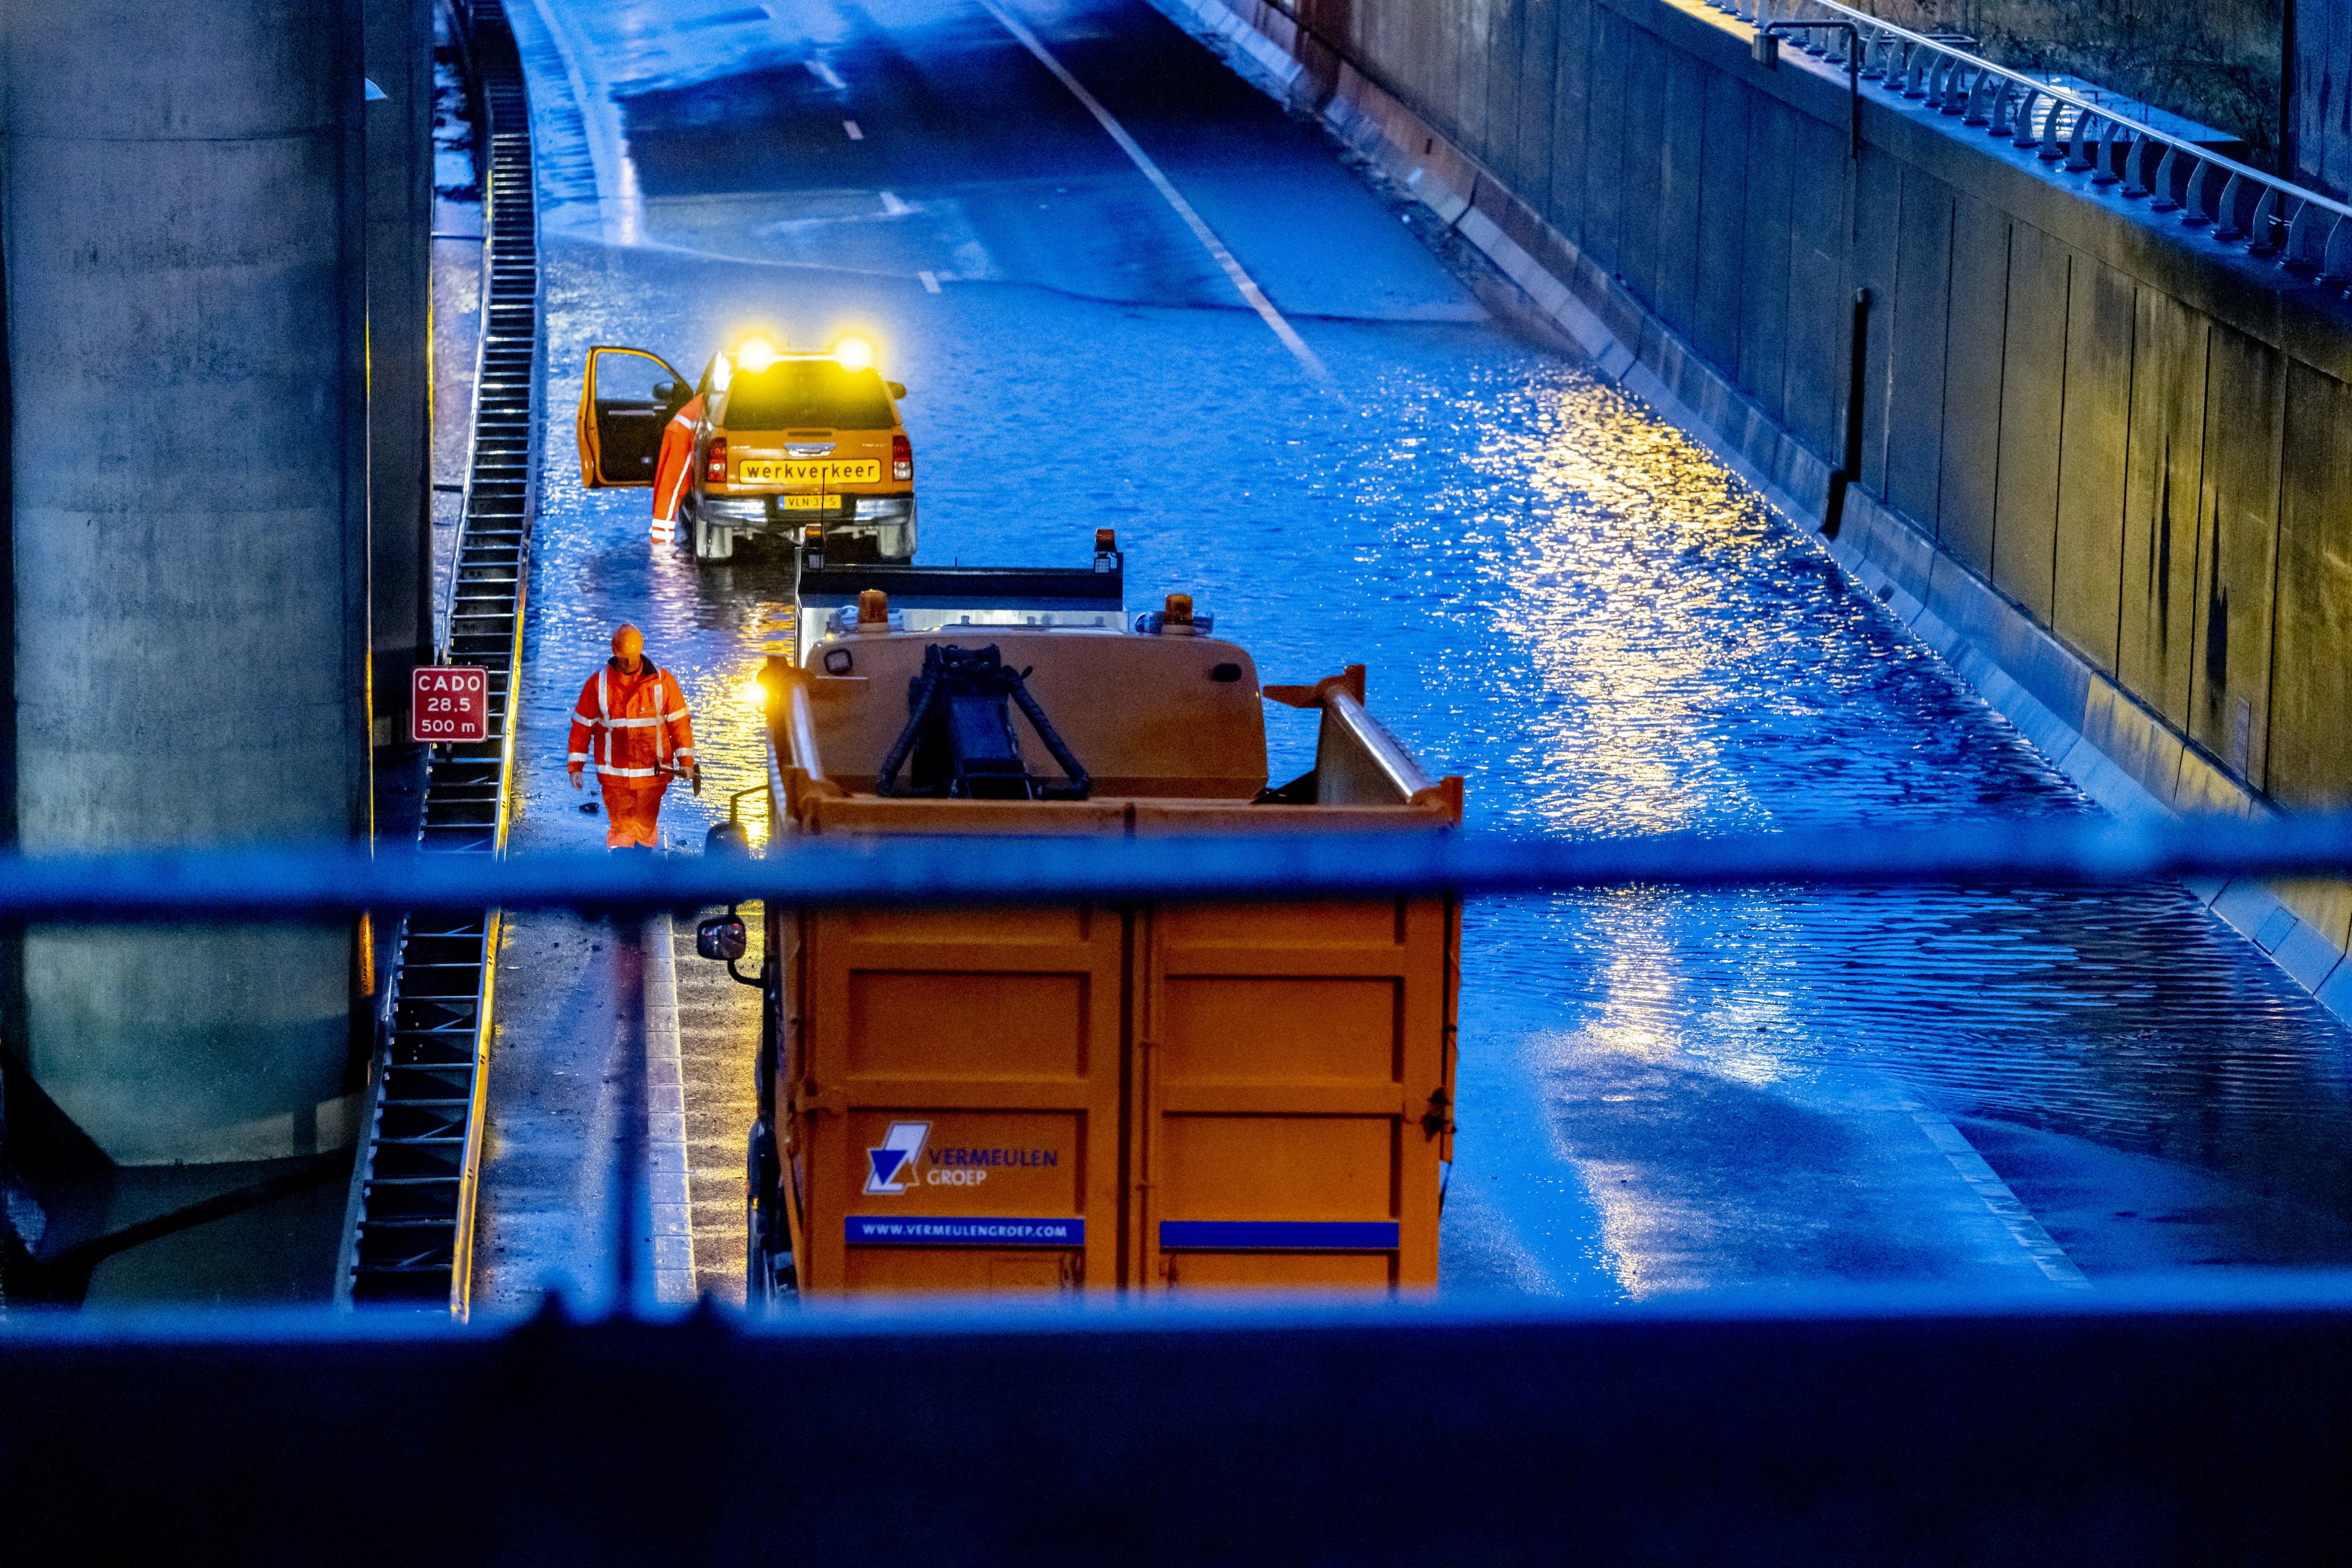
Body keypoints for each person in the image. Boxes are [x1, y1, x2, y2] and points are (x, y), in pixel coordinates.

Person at [568, 624, 698, 850]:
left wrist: (686, 762)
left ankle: (637, 876)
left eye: (632, 658)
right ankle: (627, 876)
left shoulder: (662, 682)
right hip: (615, 777)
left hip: (652, 776)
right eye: (624, 658)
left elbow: (680, 725)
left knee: (645, 829)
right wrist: (576, 766)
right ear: (615, 653)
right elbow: (582, 727)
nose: (628, 664)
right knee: (621, 831)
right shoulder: (598, 685)